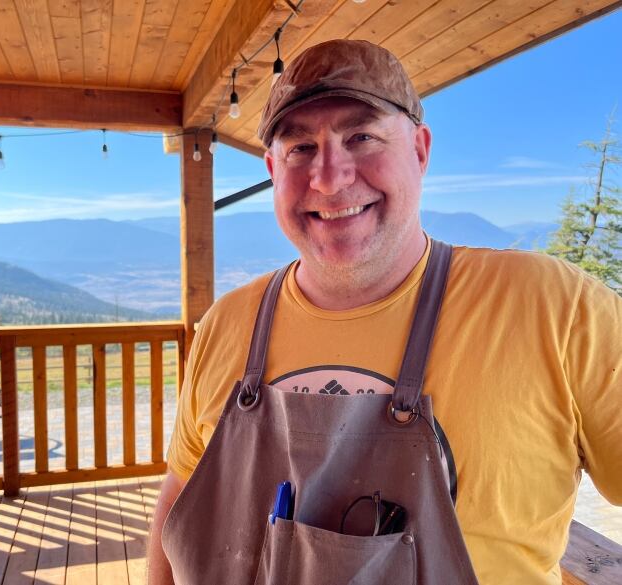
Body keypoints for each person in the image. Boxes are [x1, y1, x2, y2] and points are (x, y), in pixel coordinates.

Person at [146, 39, 622, 585]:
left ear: (420, 150)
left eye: (362, 136)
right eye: (299, 147)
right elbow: (180, 493)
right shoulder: (227, 323)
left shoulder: (554, 307)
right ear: (273, 169)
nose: (329, 177)